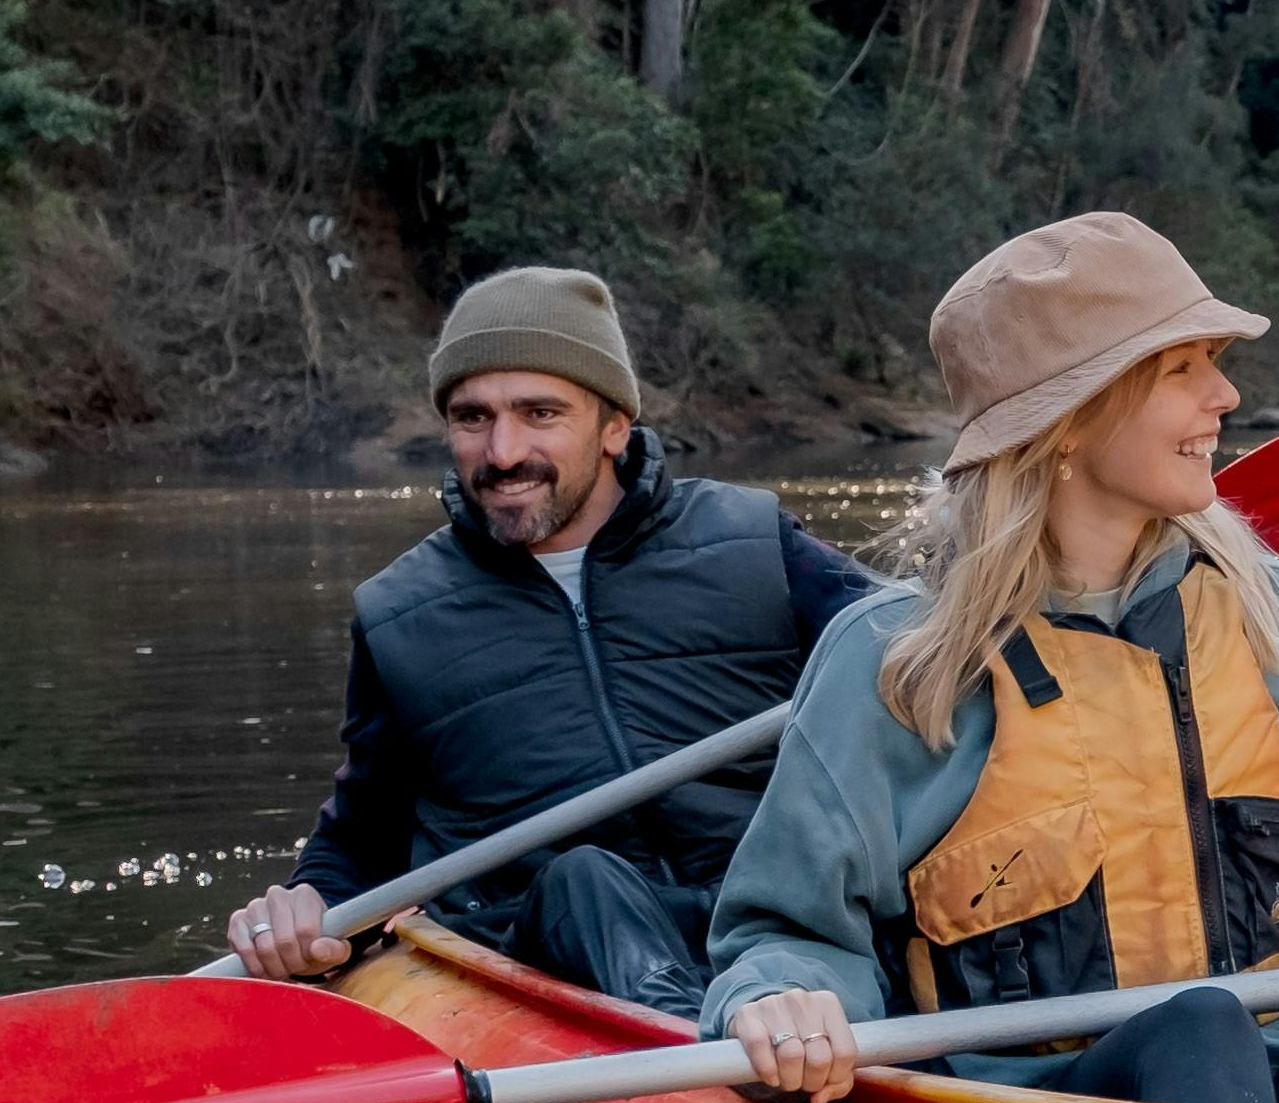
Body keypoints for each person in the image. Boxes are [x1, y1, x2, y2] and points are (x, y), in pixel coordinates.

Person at [704, 210, 1279, 1103]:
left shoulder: (1270, 612)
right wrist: (782, 999)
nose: (1224, 397)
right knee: (1198, 1027)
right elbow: (794, 936)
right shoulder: (894, 665)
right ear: (1065, 424)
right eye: (1183, 370)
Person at [223, 265, 883, 1019]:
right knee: (585, 880)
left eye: (540, 413)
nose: (502, 452)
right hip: (565, 952)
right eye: (472, 418)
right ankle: (699, 1045)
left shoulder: (754, 543)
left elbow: (925, 666)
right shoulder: (400, 615)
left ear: (613, 426)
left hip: (777, 931)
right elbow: (360, 848)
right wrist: (300, 914)